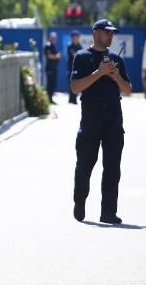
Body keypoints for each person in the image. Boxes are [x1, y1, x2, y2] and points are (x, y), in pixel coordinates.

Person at [70, 19, 132, 224]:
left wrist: (114, 76)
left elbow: (127, 90)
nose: (111, 36)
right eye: (107, 33)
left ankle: (108, 211)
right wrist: (99, 73)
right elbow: (76, 87)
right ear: (96, 33)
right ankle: (79, 201)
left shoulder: (116, 59)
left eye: (112, 33)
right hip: (91, 114)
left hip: (113, 113)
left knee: (113, 165)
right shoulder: (82, 57)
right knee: (86, 162)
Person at [43, 31, 61, 104]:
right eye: (52, 38)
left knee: (53, 83)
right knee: (50, 83)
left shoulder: (53, 46)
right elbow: (49, 56)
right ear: (50, 38)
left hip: (54, 67)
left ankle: (50, 98)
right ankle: (48, 98)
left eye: (55, 38)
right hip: (50, 67)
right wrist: (56, 56)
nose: (54, 39)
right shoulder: (48, 45)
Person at [66, 30, 83, 104]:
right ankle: (71, 99)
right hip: (71, 67)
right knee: (71, 82)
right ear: (73, 37)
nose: (77, 38)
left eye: (78, 36)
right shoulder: (70, 45)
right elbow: (74, 55)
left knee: (78, 82)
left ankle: (74, 99)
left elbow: (82, 55)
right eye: (76, 36)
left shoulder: (79, 45)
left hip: (78, 67)